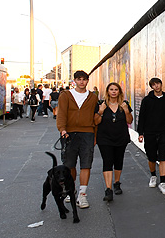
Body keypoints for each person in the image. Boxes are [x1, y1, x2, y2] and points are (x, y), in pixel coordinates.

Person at [56, 70, 98, 208]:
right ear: (74, 81)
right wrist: (62, 129)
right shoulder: (66, 95)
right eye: (79, 79)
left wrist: (95, 136)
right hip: (69, 133)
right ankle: (71, 190)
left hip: (87, 133)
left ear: (87, 81)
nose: (81, 82)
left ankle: (82, 194)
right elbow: (61, 113)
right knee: (70, 165)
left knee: (86, 164)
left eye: (84, 79)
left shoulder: (92, 97)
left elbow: (94, 117)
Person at [94, 82, 133, 202]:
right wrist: (100, 111)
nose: (114, 91)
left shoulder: (124, 104)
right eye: (111, 89)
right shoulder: (101, 104)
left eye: (116, 89)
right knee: (107, 161)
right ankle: (108, 189)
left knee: (118, 160)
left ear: (119, 92)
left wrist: (126, 111)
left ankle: (116, 183)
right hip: (105, 138)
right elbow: (95, 122)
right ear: (107, 91)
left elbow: (130, 121)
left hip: (121, 137)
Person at [137, 77, 165, 195]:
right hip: (149, 133)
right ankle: (153, 176)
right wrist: (140, 133)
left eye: (158, 84)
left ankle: (163, 182)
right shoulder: (146, 100)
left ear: (161, 84)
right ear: (151, 87)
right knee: (151, 157)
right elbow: (142, 117)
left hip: (163, 132)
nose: (156, 86)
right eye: (154, 85)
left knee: (163, 157)